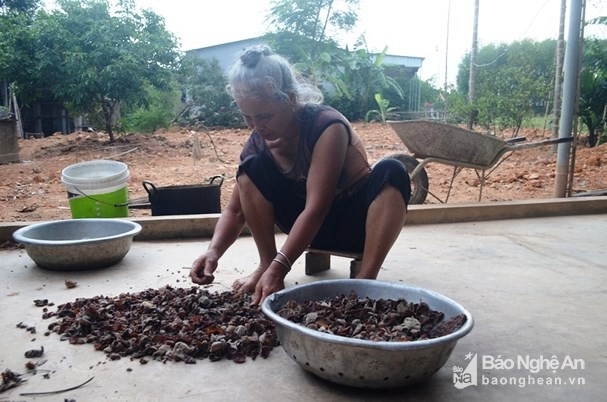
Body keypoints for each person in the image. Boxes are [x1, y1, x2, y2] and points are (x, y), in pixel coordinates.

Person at [190, 45, 411, 305]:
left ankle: (364, 280)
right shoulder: (258, 143)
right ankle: (265, 263)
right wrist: (213, 252)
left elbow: (317, 207)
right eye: (247, 117)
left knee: (393, 170)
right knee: (250, 169)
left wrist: (280, 267)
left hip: (357, 226)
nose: (257, 126)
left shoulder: (326, 126)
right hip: (305, 233)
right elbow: (236, 211)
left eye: (265, 116)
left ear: (291, 99)